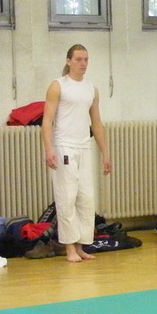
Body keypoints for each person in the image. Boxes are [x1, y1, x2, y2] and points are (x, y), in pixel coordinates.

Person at [41, 44, 112, 264]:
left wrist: (105, 154)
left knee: (86, 199)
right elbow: (47, 120)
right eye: (79, 59)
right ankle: (69, 247)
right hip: (64, 146)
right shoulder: (58, 86)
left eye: (86, 59)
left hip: (84, 147)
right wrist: (49, 149)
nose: (83, 63)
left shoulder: (92, 89)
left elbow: (97, 123)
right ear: (69, 61)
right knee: (67, 197)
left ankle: (81, 246)